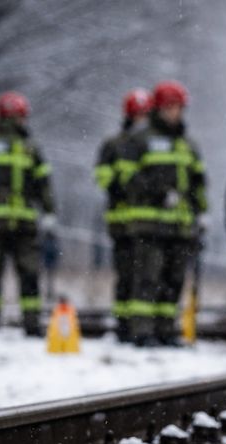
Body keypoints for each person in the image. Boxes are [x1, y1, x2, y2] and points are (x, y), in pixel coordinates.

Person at [117, 81, 207, 346]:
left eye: (178, 107)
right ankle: (142, 331)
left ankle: (167, 330)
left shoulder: (187, 144)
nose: (175, 112)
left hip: (180, 226)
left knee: (173, 279)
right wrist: (157, 192)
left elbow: (198, 182)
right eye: (170, 107)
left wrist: (201, 212)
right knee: (148, 277)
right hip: (148, 224)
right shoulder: (140, 140)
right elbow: (126, 177)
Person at [0, 91, 56, 336]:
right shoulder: (29, 148)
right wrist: (48, 212)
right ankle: (32, 324)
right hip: (23, 223)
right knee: (29, 274)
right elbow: (43, 184)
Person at [96, 88, 152, 343]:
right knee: (126, 274)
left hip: (146, 222)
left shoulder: (150, 144)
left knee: (146, 274)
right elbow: (103, 177)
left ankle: (141, 326)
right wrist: (123, 186)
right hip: (121, 222)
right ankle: (123, 325)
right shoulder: (113, 145)